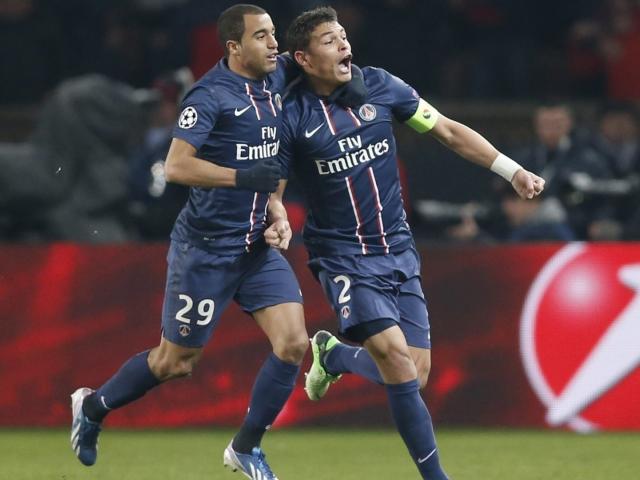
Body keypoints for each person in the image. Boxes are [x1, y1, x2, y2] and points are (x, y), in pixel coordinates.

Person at [279, 7, 544, 479]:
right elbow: (273, 183)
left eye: (344, 36)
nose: (344, 45)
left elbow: (447, 130)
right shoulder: (292, 114)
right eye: (329, 40)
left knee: (414, 375)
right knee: (398, 361)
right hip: (343, 256)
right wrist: (275, 214)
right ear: (303, 57)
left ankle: (334, 355)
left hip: (398, 250)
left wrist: (512, 170)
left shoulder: (381, 87)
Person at [70, 5, 308, 479]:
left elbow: (274, 151)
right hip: (205, 250)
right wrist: (241, 178)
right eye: (261, 36)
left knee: (293, 343)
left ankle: (246, 447)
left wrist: (276, 206)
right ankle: (93, 407)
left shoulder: (277, 77)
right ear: (234, 47)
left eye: (273, 34)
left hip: (255, 246)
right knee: (175, 363)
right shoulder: (209, 95)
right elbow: (177, 166)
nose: (273, 44)